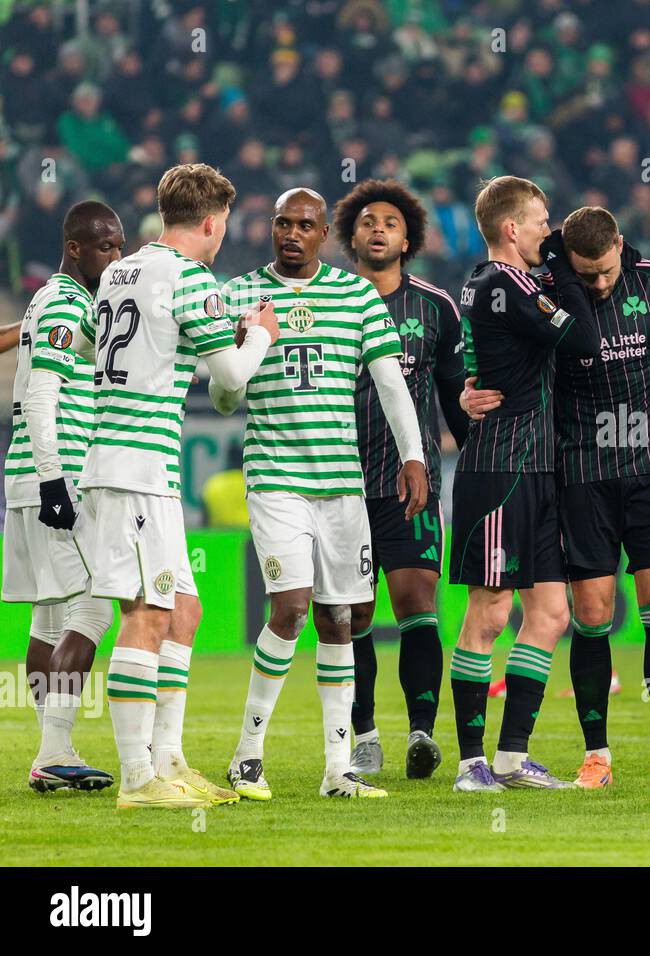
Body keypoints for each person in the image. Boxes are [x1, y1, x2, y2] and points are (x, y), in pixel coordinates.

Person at [462, 206, 650, 788]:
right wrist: (471, 393)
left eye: (605, 271)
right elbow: (503, 349)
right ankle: (596, 754)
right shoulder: (547, 288)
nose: (598, 282)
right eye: (587, 273)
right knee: (592, 616)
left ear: (620, 247)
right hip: (580, 467)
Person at [70, 163, 279, 808]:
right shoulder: (194, 278)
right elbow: (233, 378)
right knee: (146, 612)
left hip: (131, 464)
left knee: (184, 609)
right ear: (212, 223)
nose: (222, 243)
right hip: (136, 467)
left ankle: (170, 760)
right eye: (224, 230)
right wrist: (262, 336)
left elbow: (88, 351)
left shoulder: (117, 272)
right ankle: (138, 779)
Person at [221, 187, 425, 799]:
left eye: (304, 224)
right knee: (290, 608)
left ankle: (339, 769)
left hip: (343, 487)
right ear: (271, 228)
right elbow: (225, 398)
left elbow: (391, 383)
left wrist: (413, 455)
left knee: (345, 618)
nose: (292, 233)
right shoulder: (238, 295)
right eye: (282, 222)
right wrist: (247, 345)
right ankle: (247, 755)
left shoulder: (355, 294)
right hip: (276, 479)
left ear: (321, 236)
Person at [446, 176, 598, 792]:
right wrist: (563, 262)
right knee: (489, 610)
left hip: (535, 466)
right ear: (511, 229)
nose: (548, 231)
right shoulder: (503, 283)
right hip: (500, 469)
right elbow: (583, 338)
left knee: (552, 612)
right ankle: (469, 763)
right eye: (540, 221)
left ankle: (511, 757)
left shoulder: (509, 285)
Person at [330, 178, 469, 780]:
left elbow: (454, 403)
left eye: (390, 221)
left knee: (417, 603)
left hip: (409, 487)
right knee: (352, 616)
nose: (378, 228)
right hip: (335, 484)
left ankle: (421, 731)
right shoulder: (328, 301)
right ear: (351, 237)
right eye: (367, 221)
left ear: (408, 237)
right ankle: (363, 736)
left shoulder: (435, 307)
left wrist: (482, 469)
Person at [4, 200, 122, 792]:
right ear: (74, 247)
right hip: (55, 477)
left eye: (120, 245)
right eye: (106, 246)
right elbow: (42, 394)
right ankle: (54, 749)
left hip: (29, 475)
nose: (116, 256)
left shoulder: (57, 303)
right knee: (98, 604)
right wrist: (55, 480)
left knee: (49, 621)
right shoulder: (64, 301)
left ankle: (56, 747)